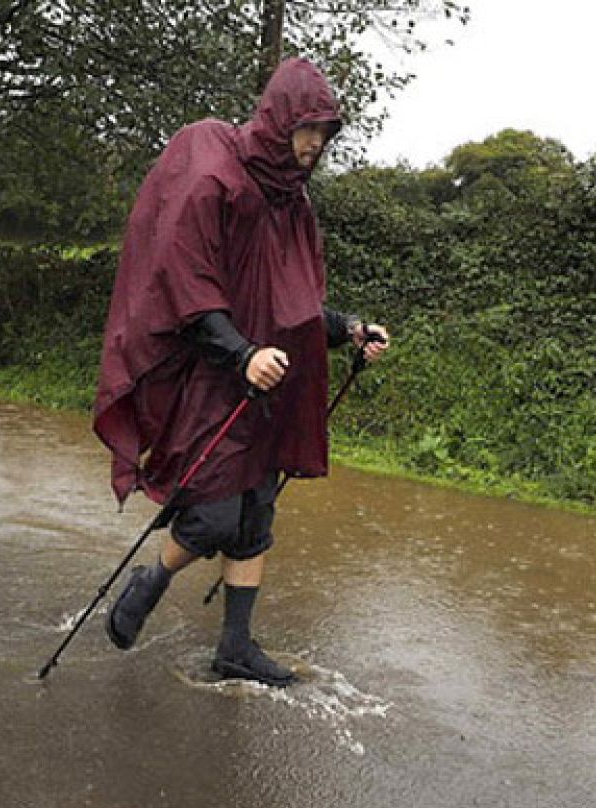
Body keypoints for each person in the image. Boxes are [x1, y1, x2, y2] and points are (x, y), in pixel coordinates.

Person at [92, 58, 389, 688]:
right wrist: (241, 353)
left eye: (325, 133)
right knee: (213, 517)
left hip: (268, 388)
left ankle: (235, 647)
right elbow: (187, 287)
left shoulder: (293, 205)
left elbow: (293, 307)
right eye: (307, 128)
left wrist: (351, 330)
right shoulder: (217, 176)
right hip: (211, 378)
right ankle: (152, 579)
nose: (314, 143)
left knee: (255, 518)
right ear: (279, 118)